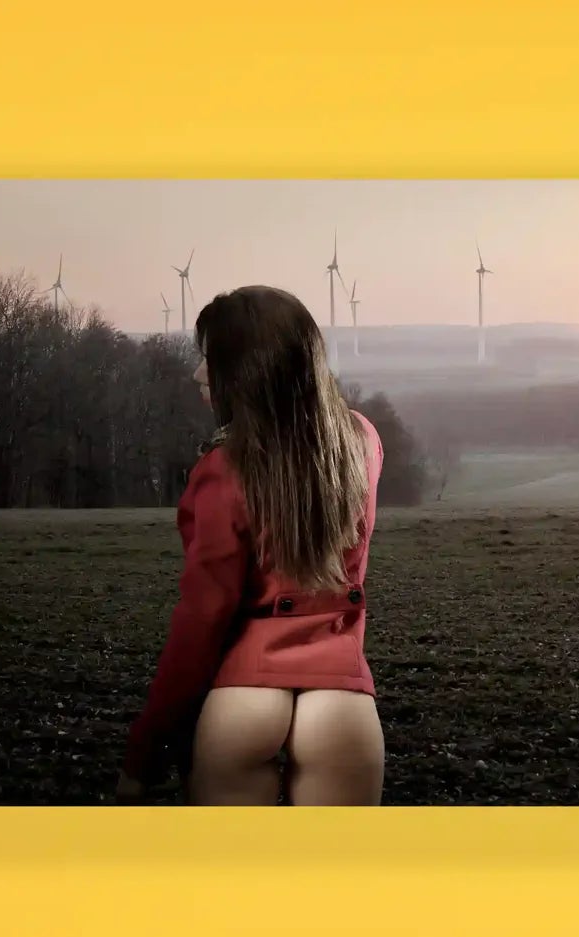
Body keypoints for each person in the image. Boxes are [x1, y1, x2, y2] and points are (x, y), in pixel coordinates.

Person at [116, 284, 386, 806]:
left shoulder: (222, 471)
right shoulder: (362, 444)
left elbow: (202, 618)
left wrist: (144, 751)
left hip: (243, 697)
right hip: (344, 702)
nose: (198, 374)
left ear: (245, 373)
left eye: (209, 360)